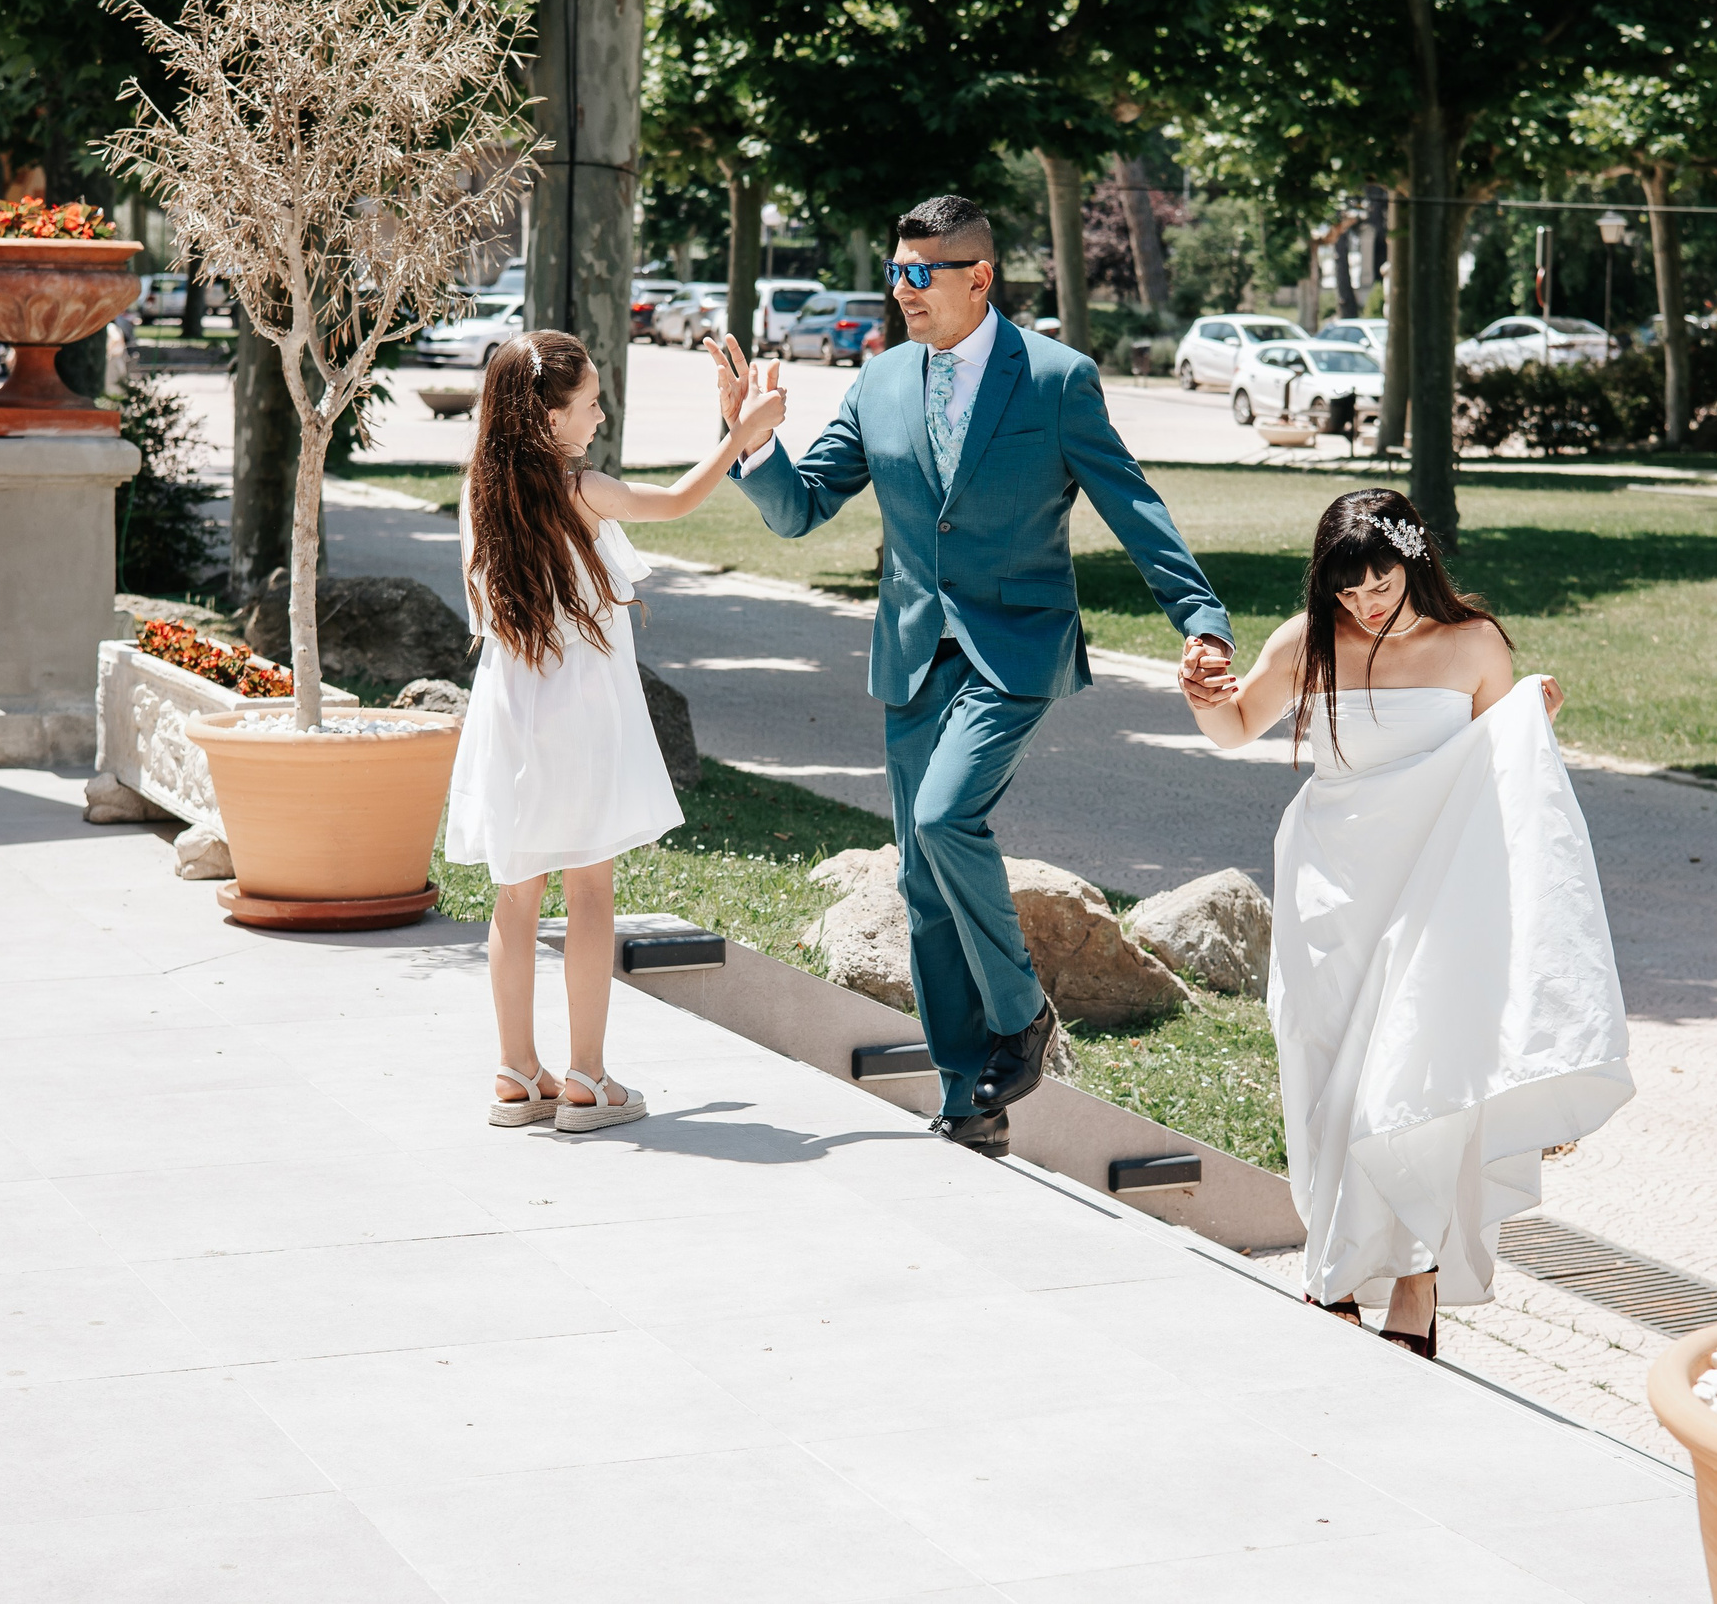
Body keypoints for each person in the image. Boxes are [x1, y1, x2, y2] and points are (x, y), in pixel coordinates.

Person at [721, 194, 1235, 1158]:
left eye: (921, 273)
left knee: (943, 817)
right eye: (896, 272)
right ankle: (970, 1098)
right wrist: (755, 442)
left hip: (1016, 649)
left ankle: (1021, 1013)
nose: (903, 290)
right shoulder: (877, 383)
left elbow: (1134, 505)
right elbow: (800, 510)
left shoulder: (1054, 379)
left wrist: (1201, 619)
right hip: (912, 653)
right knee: (923, 881)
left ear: (979, 278)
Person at [1182, 488, 1635, 1356]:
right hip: (1330, 889)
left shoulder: (1474, 644)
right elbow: (1236, 726)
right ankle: (1338, 1266)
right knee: (1322, 1078)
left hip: (1434, 892)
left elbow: (1507, 781)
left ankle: (1416, 1277)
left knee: (1416, 1077)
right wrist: (1201, 693)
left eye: (1379, 580)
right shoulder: (1307, 642)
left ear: (1413, 557)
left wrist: (1528, 730)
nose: (1365, 602)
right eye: (1346, 590)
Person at [448, 329, 787, 1133]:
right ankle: (587, 1078)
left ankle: (513, 1071)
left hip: (509, 706)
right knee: (590, 887)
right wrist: (743, 435)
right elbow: (673, 502)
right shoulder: (578, 487)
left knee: (515, 892)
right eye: (590, 403)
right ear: (547, 419)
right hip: (579, 707)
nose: (602, 414)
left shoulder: (480, 487)